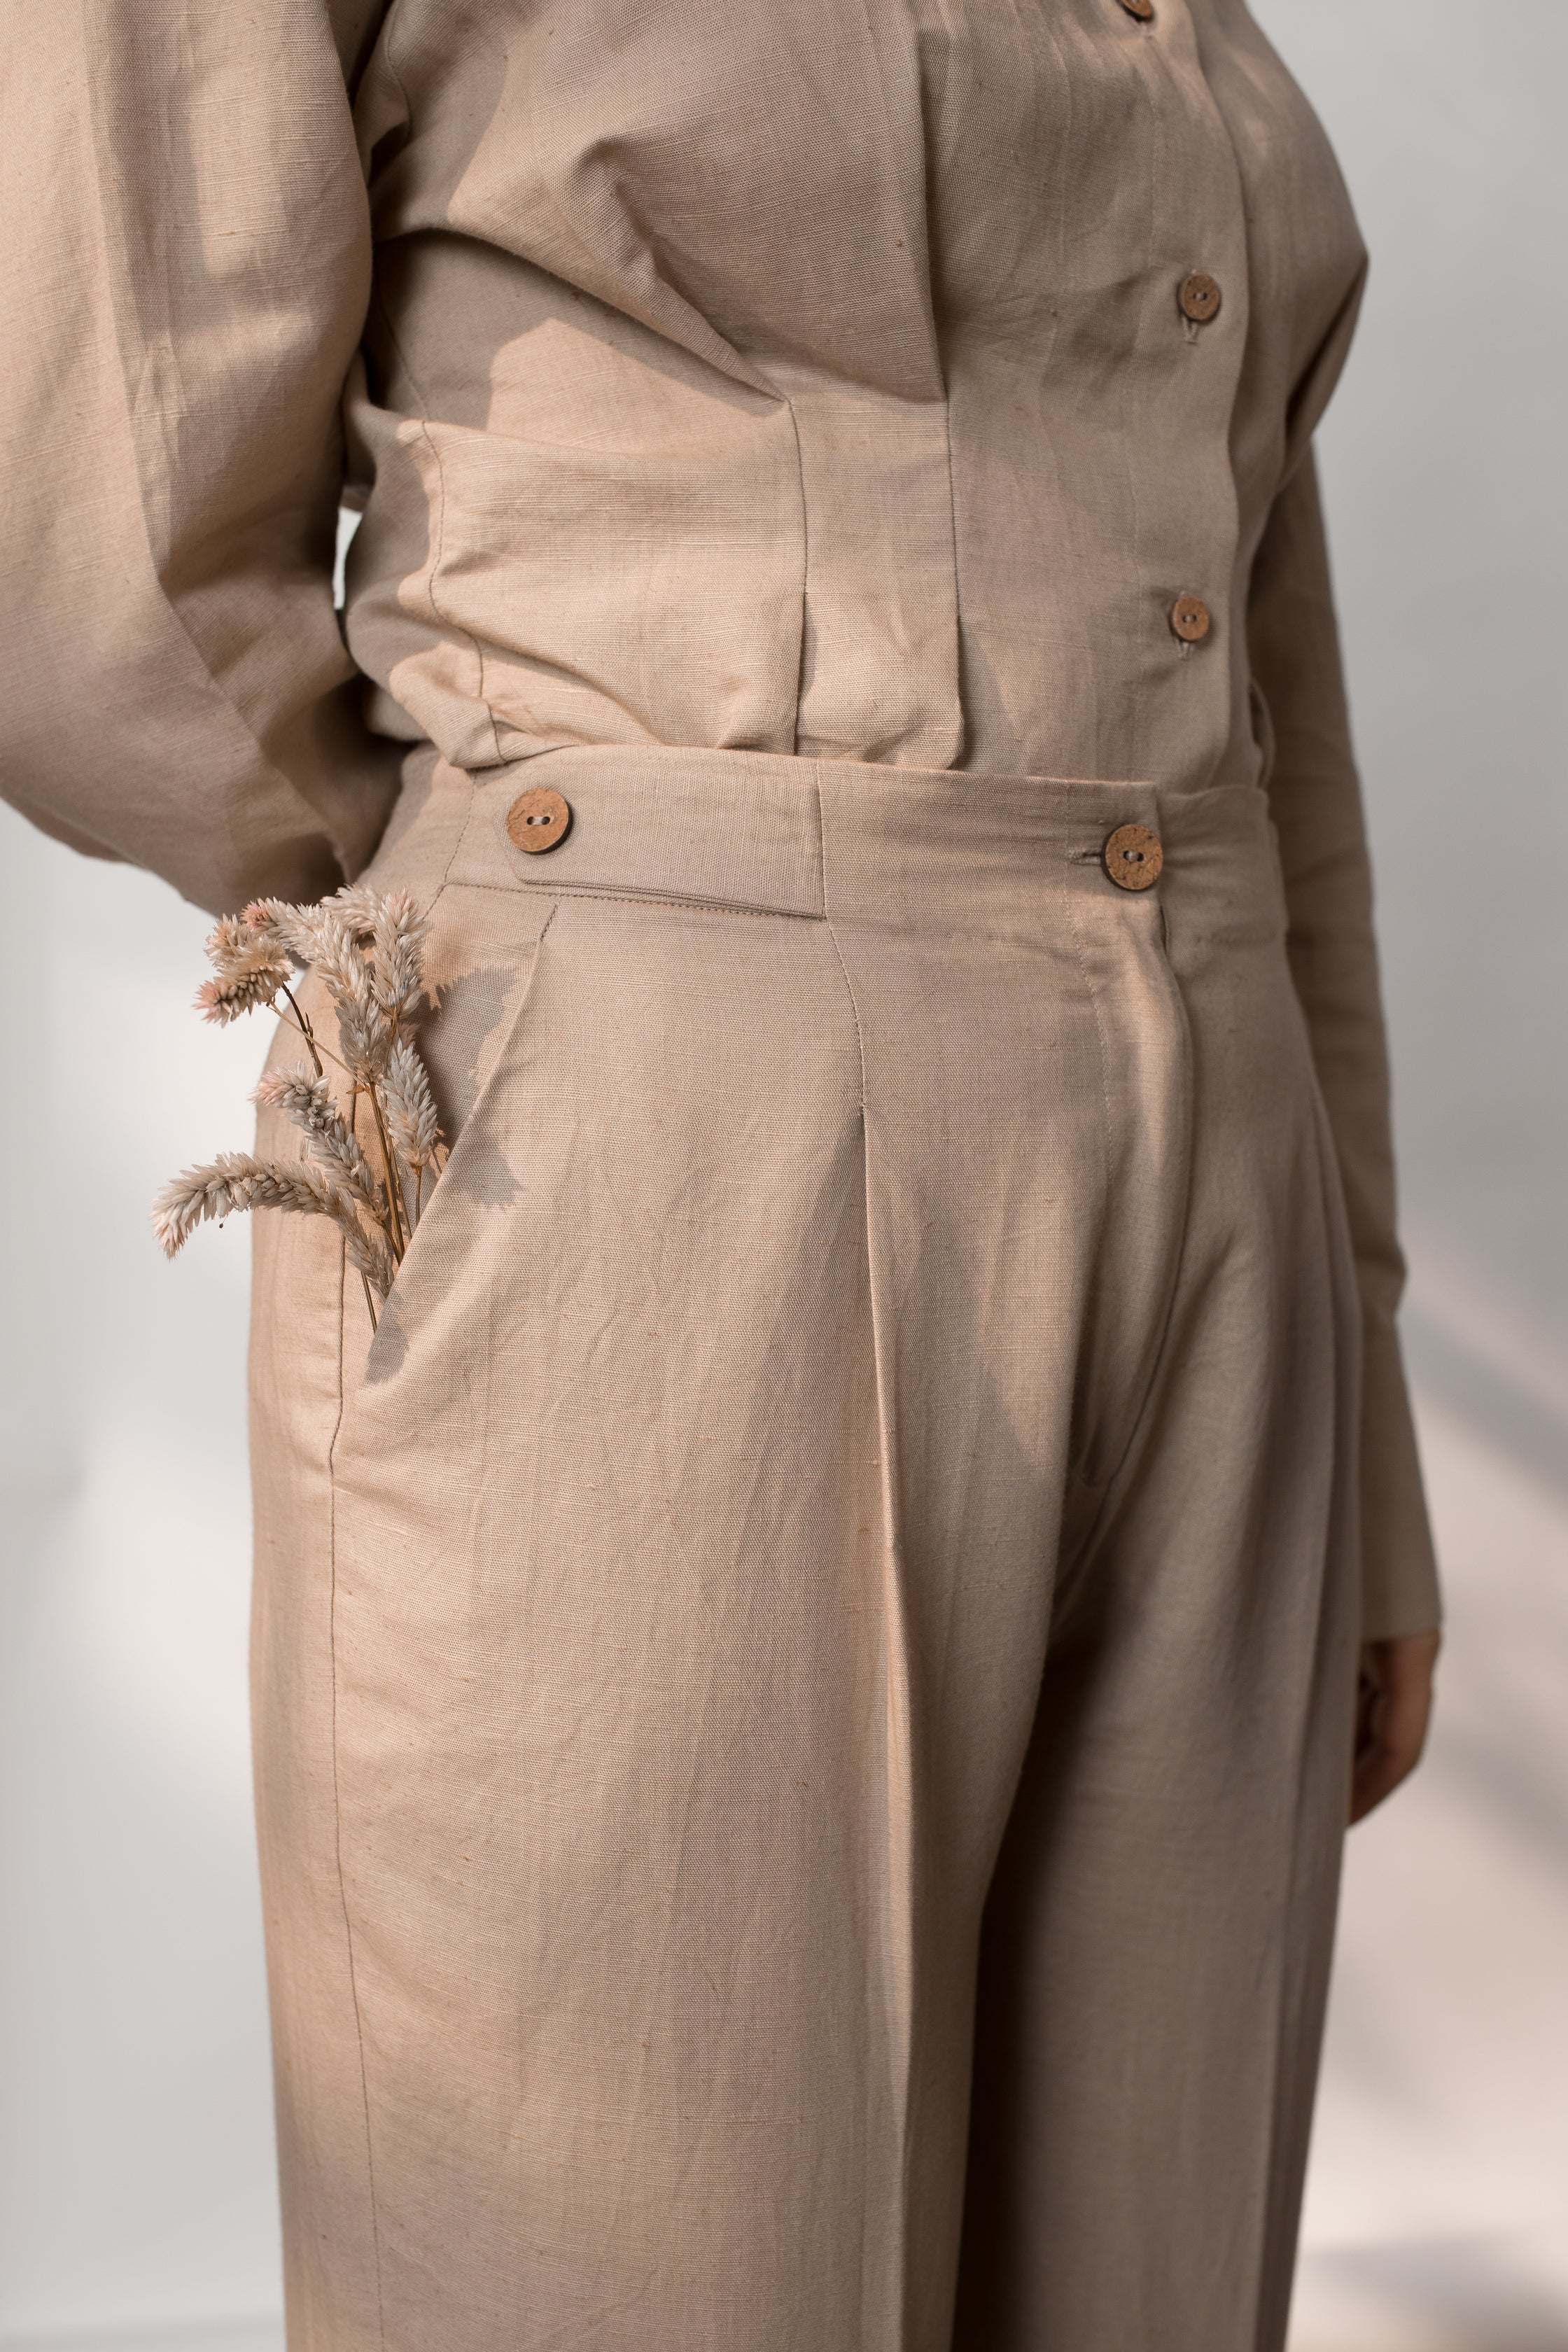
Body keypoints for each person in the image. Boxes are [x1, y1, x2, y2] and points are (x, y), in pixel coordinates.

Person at [1, 3, 1441, 2345]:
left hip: (1227, 1200)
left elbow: (1256, 633)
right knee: (627, 2272)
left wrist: (1358, 1400)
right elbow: (86, 547)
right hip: (660, 1157)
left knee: (1157, 2272)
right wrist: (528, 913)